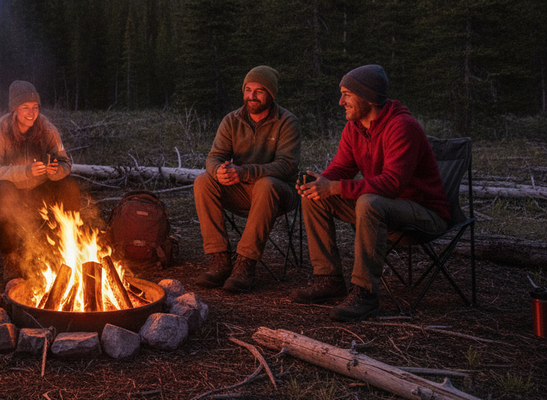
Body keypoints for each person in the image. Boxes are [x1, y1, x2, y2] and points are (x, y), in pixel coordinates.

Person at [293, 65, 450, 322]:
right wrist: (321, 183)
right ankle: (328, 278)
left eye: (347, 95)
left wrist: (335, 187)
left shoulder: (402, 126)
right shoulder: (354, 128)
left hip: (424, 213)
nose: (341, 102)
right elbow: (342, 167)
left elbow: (392, 184)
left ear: (368, 97)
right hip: (385, 209)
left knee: (368, 202)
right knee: (315, 198)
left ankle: (365, 294)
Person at [193, 66, 301, 293]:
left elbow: (287, 165)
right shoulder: (232, 120)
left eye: (259, 91)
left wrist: (245, 172)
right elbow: (215, 156)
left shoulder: (287, 122)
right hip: (243, 191)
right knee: (203, 181)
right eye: (248, 90)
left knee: (266, 184)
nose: (252, 96)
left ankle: (245, 264)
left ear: (271, 94)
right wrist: (218, 171)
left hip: (280, 193)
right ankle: (219, 259)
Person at [0, 80, 81, 280]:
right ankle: (10, 259)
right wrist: (25, 171)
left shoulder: (47, 129)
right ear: (14, 109)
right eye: (25, 107)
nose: (31, 113)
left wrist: (54, 171)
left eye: (35, 107)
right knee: (3, 193)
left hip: (40, 189)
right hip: (11, 191)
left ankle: (66, 247)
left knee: (69, 186)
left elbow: (65, 163)